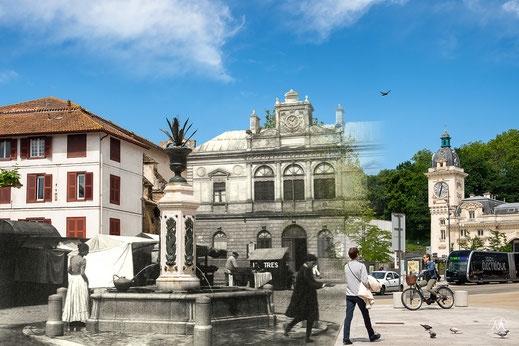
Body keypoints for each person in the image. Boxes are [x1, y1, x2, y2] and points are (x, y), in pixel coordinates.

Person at [284, 254, 333, 343]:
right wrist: (324, 285)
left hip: (307, 296)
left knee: (307, 317)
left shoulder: (306, 269)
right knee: (305, 316)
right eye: (313, 263)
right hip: (305, 297)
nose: (314, 265)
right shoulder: (305, 270)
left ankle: (302, 334)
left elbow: (312, 282)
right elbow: (311, 283)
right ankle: (292, 329)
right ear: (307, 261)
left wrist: (323, 284)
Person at [343, 247, 380, 345]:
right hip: (359, 294)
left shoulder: (346, 266)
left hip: (349, 294)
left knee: (348, 316)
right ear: (357, 255)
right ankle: (372, 336)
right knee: (365, 316)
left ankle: (346, 337)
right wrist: (370, 286)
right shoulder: (361, 266)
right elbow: (364, 280)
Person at [63, 242, 90, 331]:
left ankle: (72, 320)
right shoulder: (83, 260)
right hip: (80, 280)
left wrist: (74, 274)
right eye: (87, 251)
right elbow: (82, 273)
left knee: (73, 298)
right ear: (83, 251)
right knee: (81, 297)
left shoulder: (72, 258)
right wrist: (87, 280)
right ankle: (80, 320)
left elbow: (68, 270)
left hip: (73, 279)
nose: (88, 252)